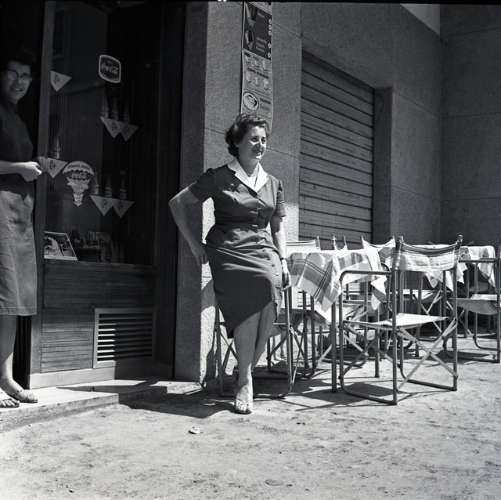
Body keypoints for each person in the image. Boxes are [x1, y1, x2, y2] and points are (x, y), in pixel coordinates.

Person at [169, 113, 290, 414]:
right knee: (253, 297)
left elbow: (277, 227)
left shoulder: (274, 183)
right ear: (237, 142)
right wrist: (194, 245)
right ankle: (246, 380)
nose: (260, 145)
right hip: (228, 249)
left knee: (271, 298)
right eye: (254, 139)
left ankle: (244, 370)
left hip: (263, 248)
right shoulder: (218, 177)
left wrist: (284, 259)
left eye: (264, 140)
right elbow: (177, 203)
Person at [0, 48, 42, 408]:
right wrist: (19, 168)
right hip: (0, 210)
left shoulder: (18, 118)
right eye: (13, 73)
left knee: (11, 299)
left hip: (18, 215)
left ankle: (6, 379)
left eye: (26, 76)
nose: (20, 82)